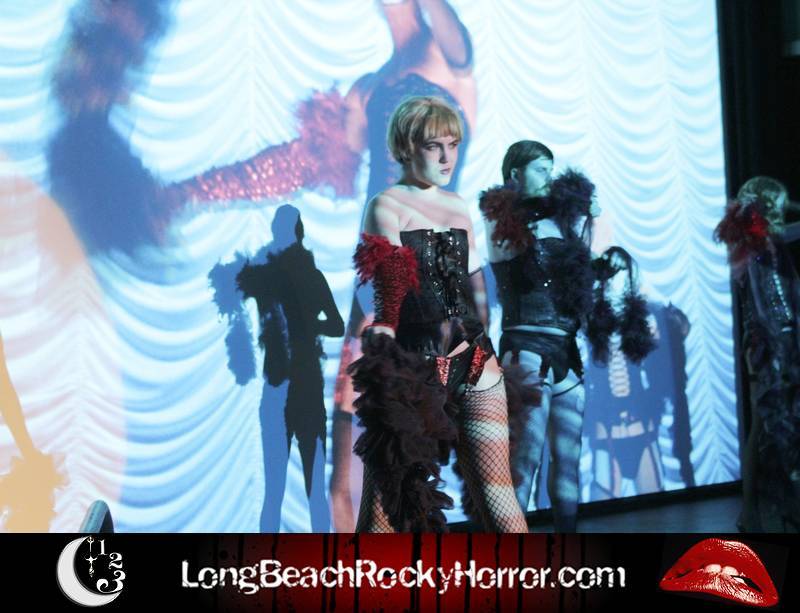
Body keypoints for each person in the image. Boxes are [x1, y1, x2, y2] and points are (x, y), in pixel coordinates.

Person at [349, 96, 529, 532]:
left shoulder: (457, 204)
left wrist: (489, 341)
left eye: (453, 145)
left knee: (498, 495)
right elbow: (390, 281)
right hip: (414, 366)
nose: (448, 157)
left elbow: (475, 285)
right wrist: (384, 327)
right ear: (406, 147)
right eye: (434, 146)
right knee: (386, 510)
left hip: (475, 359)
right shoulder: (386, 204)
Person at [479, 142, 654, 531]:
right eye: (541, 169)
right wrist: (566, 207)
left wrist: (604, 261)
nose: (549, 177)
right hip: (526, 349)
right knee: (525, 460)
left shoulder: (558, 222)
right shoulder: (500, 217)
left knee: (568, 459)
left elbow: (573, 277)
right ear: (515, 174)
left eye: (551, 169)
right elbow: (517, 253)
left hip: (565, 350)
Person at [235, 205, 344, 531]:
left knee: (275, 492)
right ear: (301, 232)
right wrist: (311, 327)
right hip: (304, 386)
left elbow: (239, 285)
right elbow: (336, 325)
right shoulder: (311, 276)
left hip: (281, 387)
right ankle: (322, 560)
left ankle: (267, 559)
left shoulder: (266, 278)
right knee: (314, 492)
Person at [715, 176, 800, 532]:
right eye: (777, 203)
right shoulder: (750, 235)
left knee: (780, 422)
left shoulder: (768, 239)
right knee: (764, 423)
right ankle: (751, 511)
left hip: (786, 336)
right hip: (766, 342)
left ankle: (775, 505)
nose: (781, 209)